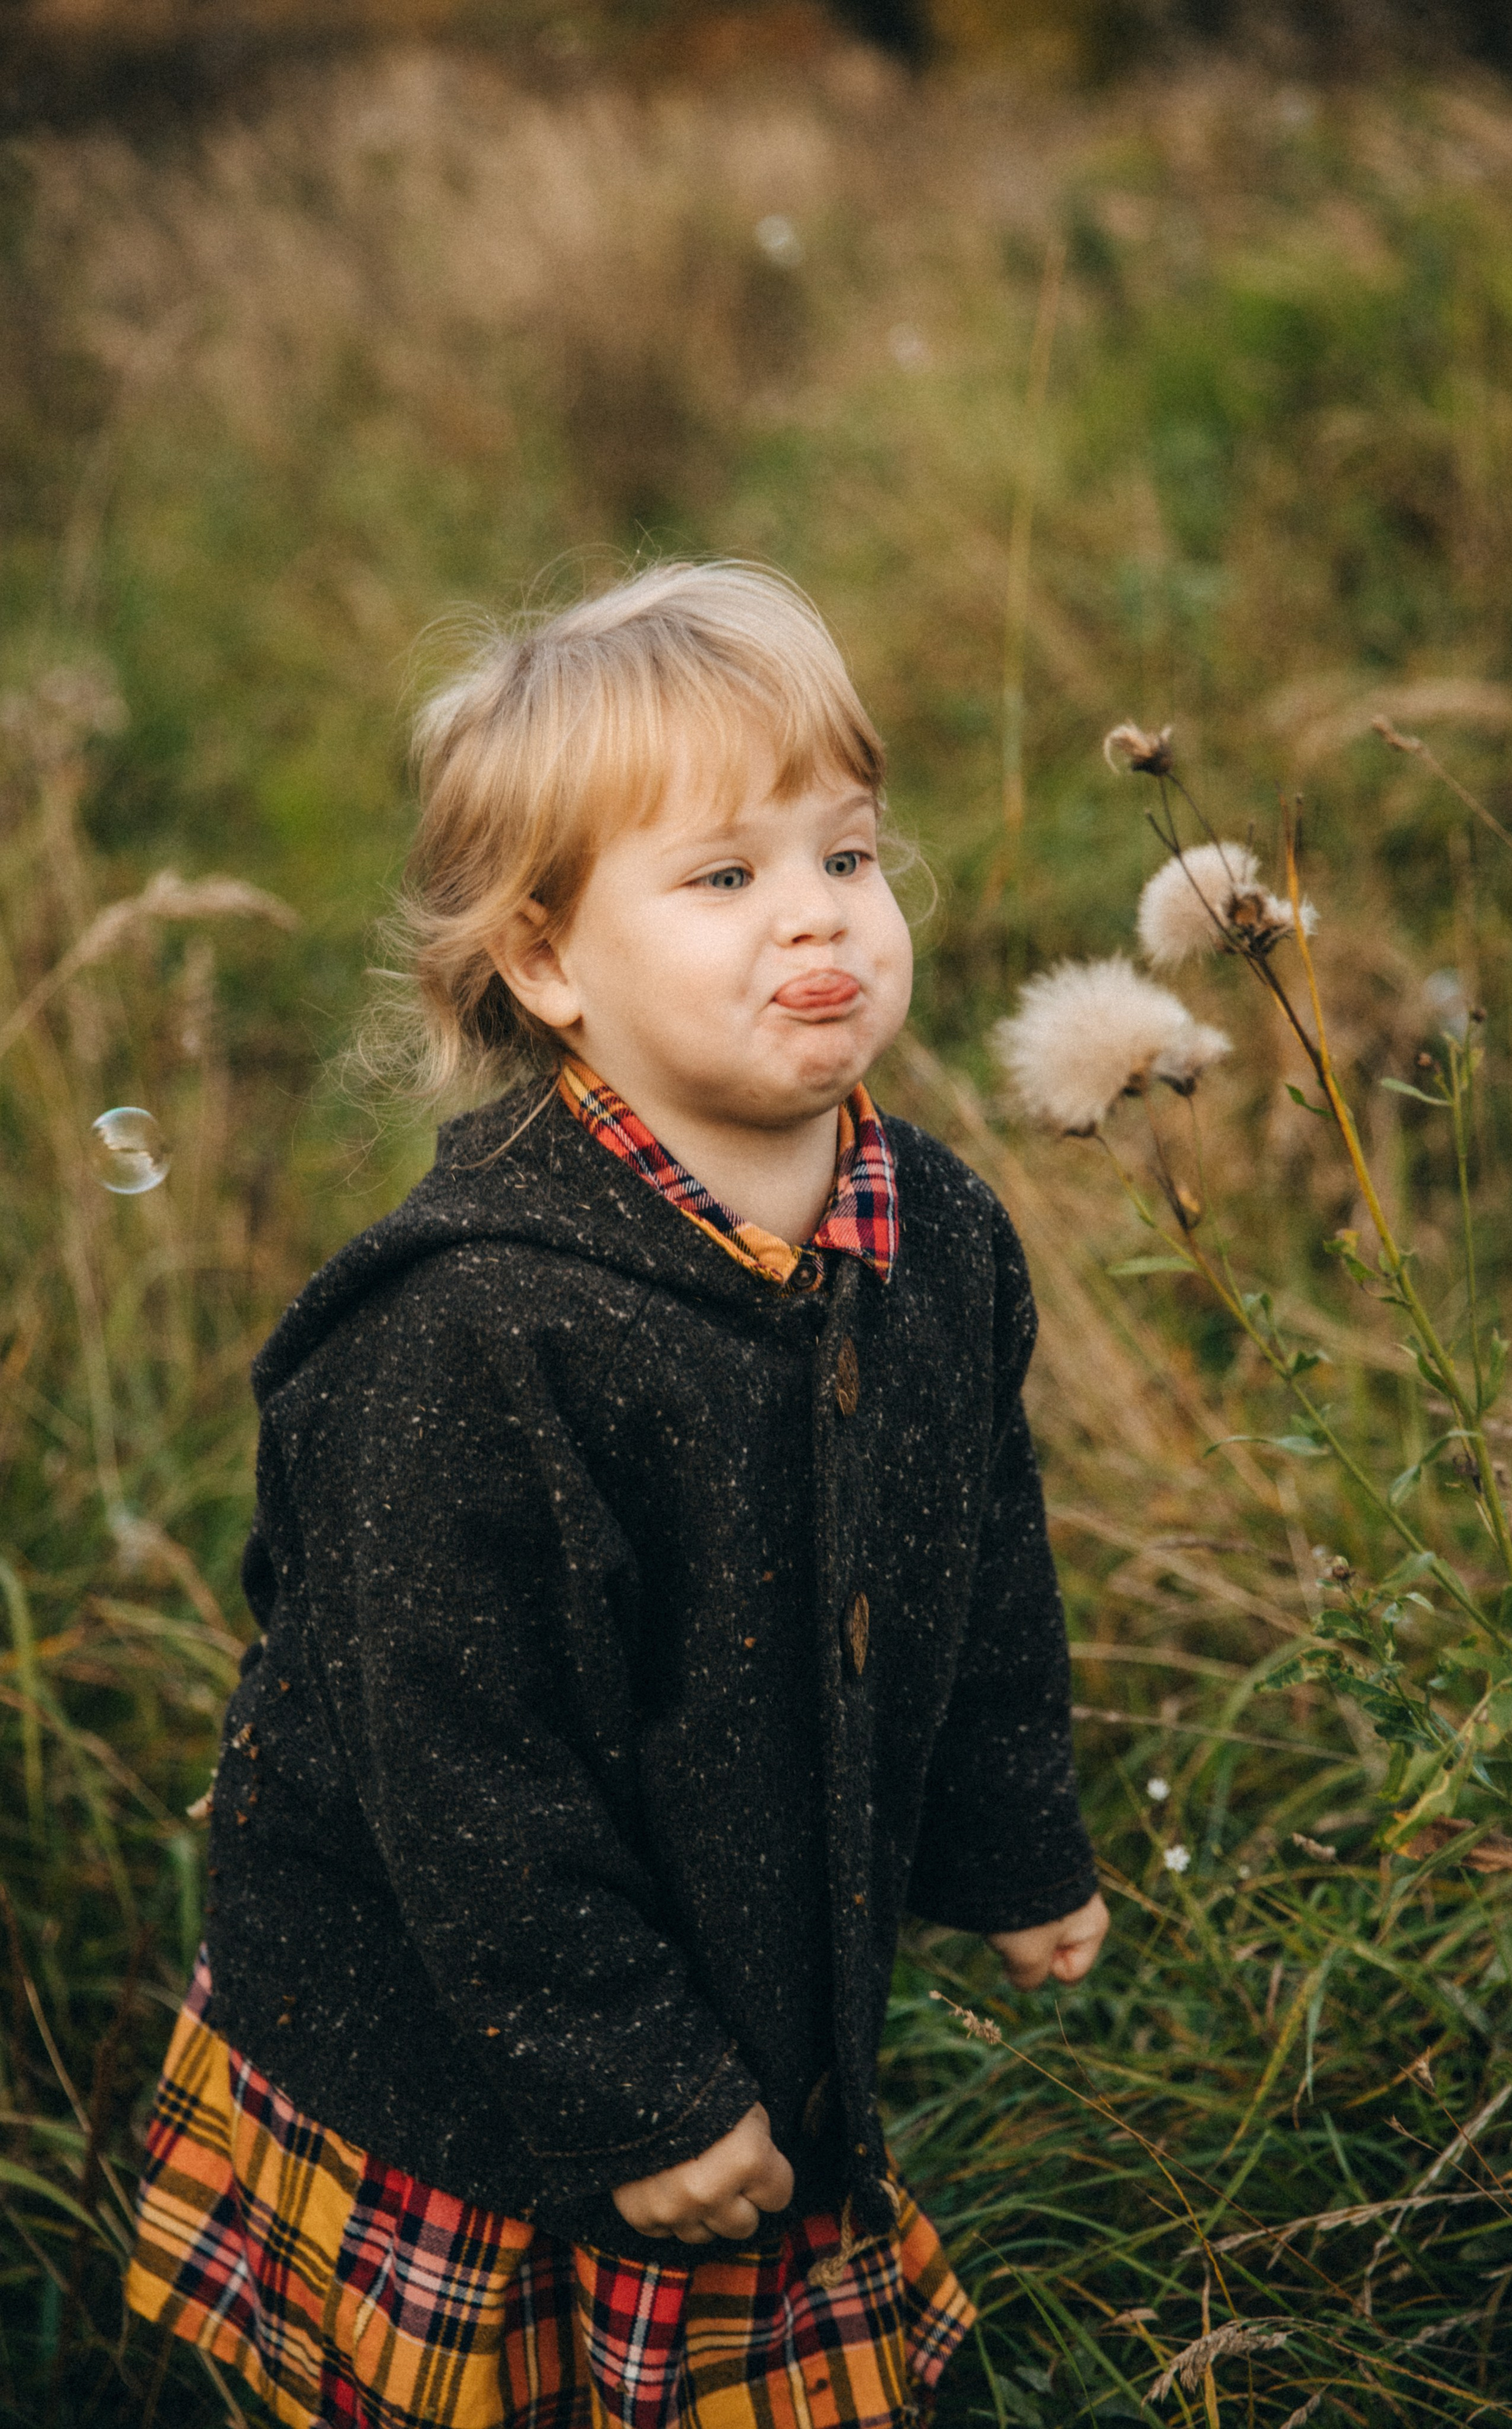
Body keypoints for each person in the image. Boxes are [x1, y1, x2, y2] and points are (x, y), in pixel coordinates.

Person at [125, 561, 1109, 2428]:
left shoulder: (939, 1233)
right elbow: (455, 1765)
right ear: (549, 963)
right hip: (474, 2067)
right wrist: (633, 2086)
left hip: (750, 1977)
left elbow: (983, 1561)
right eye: (724, 877)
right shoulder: (478, 1335)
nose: (816, 912)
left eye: (848, 853)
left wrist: (1011, 1843)